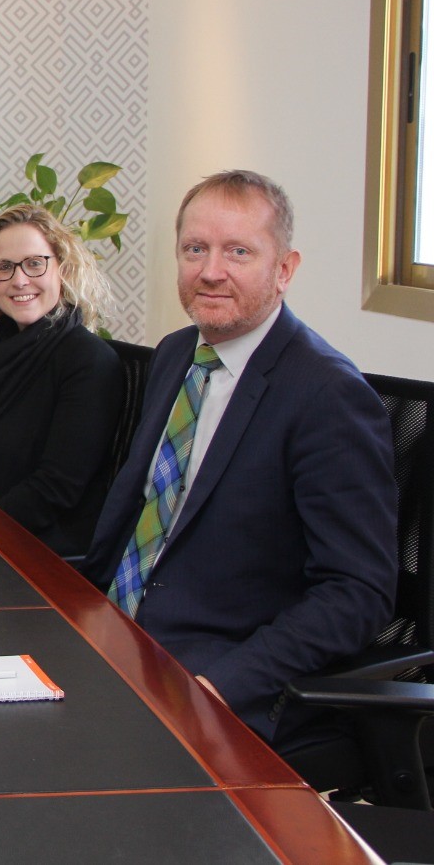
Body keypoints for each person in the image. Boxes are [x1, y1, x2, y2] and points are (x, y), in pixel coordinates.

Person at [82, 171, 396, 750]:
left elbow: (357, 592)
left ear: (285, 269)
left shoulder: (327, 396)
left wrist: (225, 685)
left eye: (239, 252)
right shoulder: (177, 353)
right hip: (115, 637)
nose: (211, 271)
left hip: (211, 675)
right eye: (194, 249)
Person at [0, 204, 123, 556]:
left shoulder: (88, 359)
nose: (19, 280)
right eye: (5, 267)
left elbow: (55, 489)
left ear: (63, 268)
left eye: (35, 263)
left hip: (33, 552)